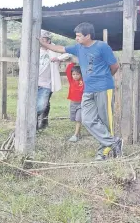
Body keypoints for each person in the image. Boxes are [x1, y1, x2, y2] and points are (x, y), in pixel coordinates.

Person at [39, 22, 123, 160]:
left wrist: (104, 79)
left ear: (88, 35)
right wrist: (44, 44)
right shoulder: (78, 48)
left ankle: (104, 151)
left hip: (103, 88)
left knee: (105, 120)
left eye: (78, 36)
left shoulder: (102, 47)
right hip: (88, 89)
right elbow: (60, 48)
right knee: (87, 119)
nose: (76, 38)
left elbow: (114, 66)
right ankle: (113, 142)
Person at [17, 30, 66, 130]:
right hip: (32, 83)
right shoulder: (34, 50)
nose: (42, 41)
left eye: (44, 39)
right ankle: (33, 126)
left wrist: (58, 59)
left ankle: (40, 122)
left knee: (42, 105)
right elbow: (21, 56)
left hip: (47, 83)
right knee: (33, 103)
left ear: (48, 41)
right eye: (40, 39)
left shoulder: (53, 50)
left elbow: (67, 54)